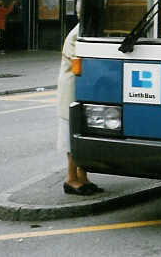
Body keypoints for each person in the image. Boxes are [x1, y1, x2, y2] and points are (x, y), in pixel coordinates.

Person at [59, 22, 103, 195]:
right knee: (72, 135)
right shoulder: (79, 32)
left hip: (81, 87)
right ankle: (70, 179)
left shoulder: (86, 29)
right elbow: (80, 60)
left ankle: (82, 176)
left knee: (82, 131)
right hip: (72, 88)